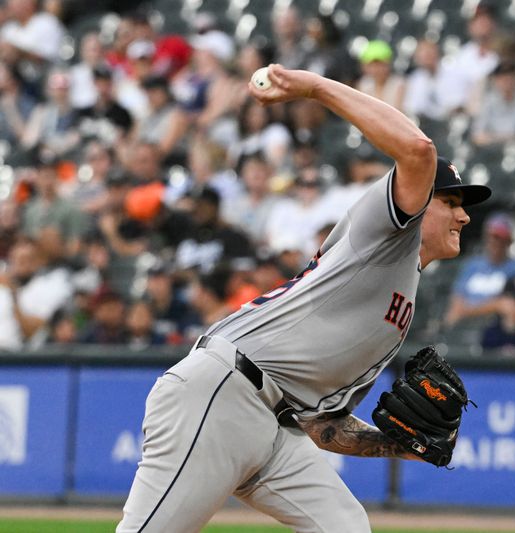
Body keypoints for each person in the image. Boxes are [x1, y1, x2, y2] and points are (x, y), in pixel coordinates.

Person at [117, 64, 491, 532]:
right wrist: (314, 87)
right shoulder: (387, 233)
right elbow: (418, 149)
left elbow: (324, 426)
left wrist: (397, 445)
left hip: (278, 428)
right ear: (419, 203)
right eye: (451, 202)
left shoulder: (402, 293)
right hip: (223, 391)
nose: (464, 216)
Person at [444, 212, 515, 328]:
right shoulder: (472, 266)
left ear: (509, 240)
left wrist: (469, 310)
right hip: (466, 329)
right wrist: (495, 305)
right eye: (490, 236)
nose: (493, 241)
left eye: (499, 237)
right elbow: (455, 310)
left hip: (496, 331)